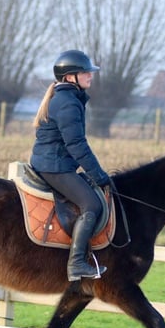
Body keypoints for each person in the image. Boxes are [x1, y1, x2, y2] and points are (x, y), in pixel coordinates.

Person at [30, 49, 110, 283]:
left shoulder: (68, 98)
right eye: (85, 72)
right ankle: (76, 264)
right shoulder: (67, 103)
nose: (90, 76)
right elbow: (76, 144)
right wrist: (99, 175)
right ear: (70, 77)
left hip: (55, 162)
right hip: (54, 165)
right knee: (91, 204)